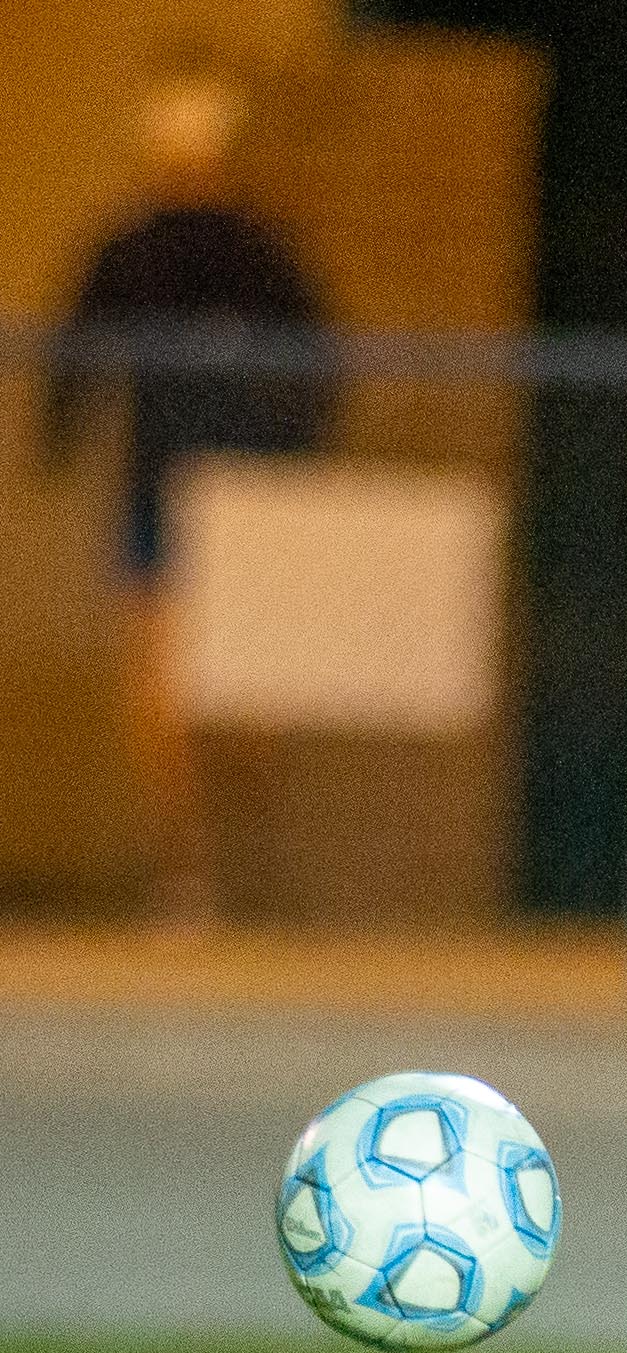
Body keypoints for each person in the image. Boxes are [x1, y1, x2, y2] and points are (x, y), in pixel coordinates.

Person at [44, 61, 332, 920]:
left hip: (241, 503)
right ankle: (193, 870)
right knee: (164, 689)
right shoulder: (145, 247)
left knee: (238, 689)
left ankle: (238, 870)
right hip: (165, 496)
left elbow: (317, 364)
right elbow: (74, 358)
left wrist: (293, 456)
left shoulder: (252, 249)